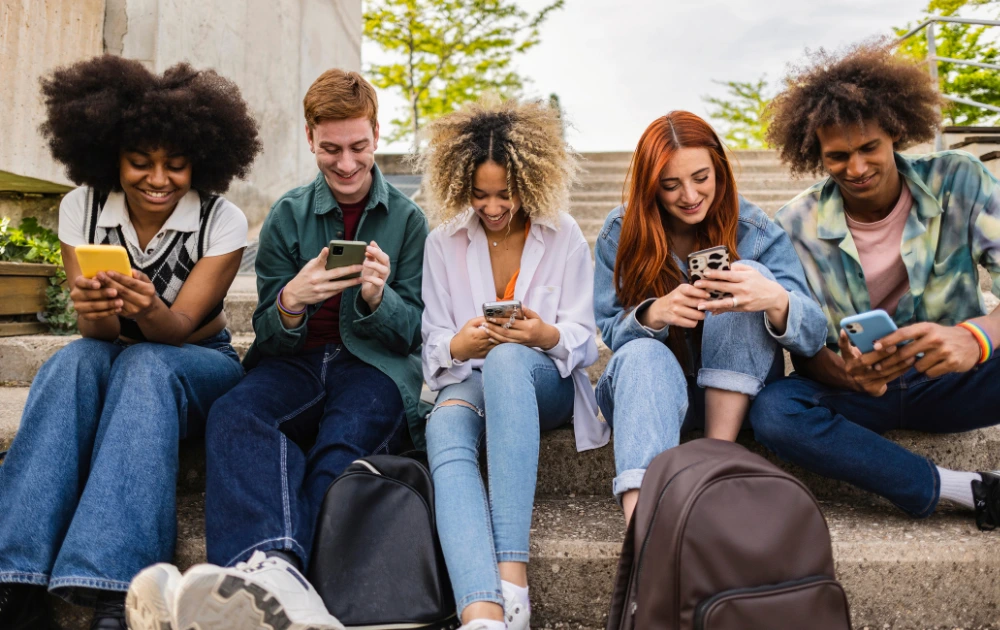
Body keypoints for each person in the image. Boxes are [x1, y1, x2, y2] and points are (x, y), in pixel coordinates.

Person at [127, 69, 430, 630]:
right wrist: (293, 299)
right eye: (331, 148)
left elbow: (412, 334)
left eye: (358, 147)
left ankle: (268, 580)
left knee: (338, 456)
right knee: (236, 414)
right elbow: (267, 331)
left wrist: (376, 296)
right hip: (293, 363)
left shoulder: (409, 221)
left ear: (377, 135)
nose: (345, 163)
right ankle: (269, 578)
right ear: (310, 138)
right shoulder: (289, 214)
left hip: (374, 367)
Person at [0, 55, 259, 630]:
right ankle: (13, 580)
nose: (158, 179)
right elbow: (99, 337)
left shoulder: (223, 220)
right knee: (72, 362)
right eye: (140, 163)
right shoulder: (82, 207)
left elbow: (179, 328)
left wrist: (149, 307)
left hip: (199, 363)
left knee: (145, 360)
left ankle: (118, 585)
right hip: (116, 354)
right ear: (110, 157)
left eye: (177, 165)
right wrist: (94, 313)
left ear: (203, 163)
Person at [749, 45, 1000, 528]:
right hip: (864, 393)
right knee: (774, 411)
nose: (857, 169)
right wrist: (847, 373)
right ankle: (962, 489)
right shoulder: (795, 224)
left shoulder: (958, 180)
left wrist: (977, 338)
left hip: (958, 379)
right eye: (838, 156)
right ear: (815, 154)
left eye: (869, 148)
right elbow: (805, 351)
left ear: (895, 133)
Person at [417, 96, 601, 630]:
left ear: (529, 179)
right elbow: (433, 343)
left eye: (506, 194)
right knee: (446, 422)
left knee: (506, 364)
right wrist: (461, 345)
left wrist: (542, 333)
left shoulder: (561, 232)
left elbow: (584, 339)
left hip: (543, 383)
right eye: (479, 195)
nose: (493, 207)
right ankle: (482, 612)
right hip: (470, 380)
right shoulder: (442, 241)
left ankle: (512, 577)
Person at [594, 111, 828, 524]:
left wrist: (772, 299)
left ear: (719, 168)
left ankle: (715, 461)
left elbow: (812, 335)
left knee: (746, 277)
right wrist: (654, 313)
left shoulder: (754, 228)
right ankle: (641, 530)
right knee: (643, 354)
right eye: (670, 185)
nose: (689, 195)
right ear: (651, 186)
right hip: (653, 399)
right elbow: (611, 330)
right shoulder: (620, 230)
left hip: (739, 403)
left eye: (700, 178)